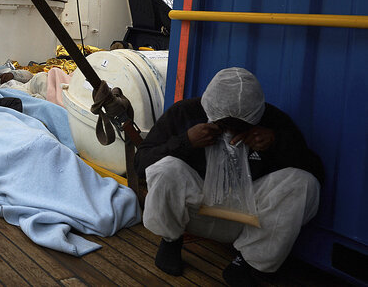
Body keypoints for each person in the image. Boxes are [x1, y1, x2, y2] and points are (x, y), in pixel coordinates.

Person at [134, 67, 323, 286]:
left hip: (249, 219)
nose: (232, 131)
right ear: (210, 110)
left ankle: (250, 263)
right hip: (196, 213)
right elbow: (141, 163)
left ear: (256, 115)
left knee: (303, 183)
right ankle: (171, 240)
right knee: (165, 168)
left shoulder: (274, 121)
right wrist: (186, 141)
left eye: (241, 126)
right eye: (224, 125)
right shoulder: (184, 113)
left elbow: (315, 172)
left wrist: (277, 142)